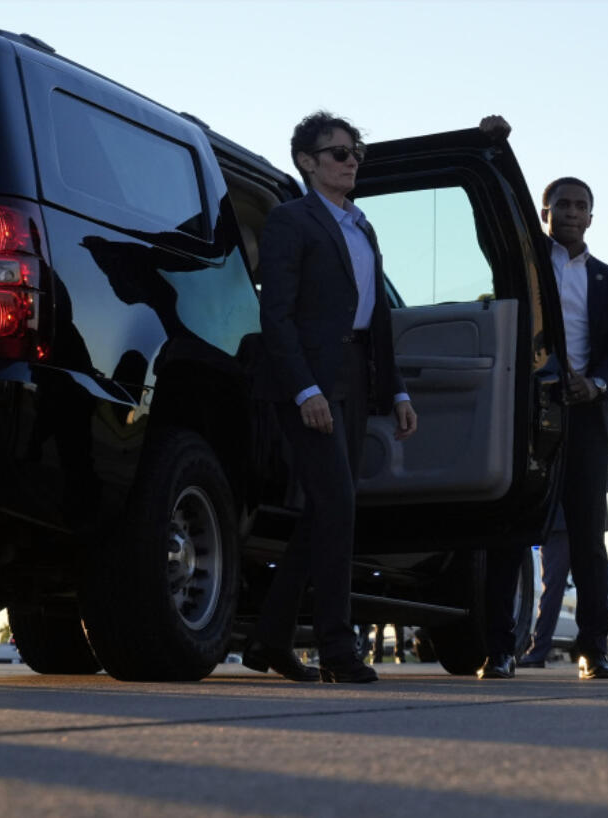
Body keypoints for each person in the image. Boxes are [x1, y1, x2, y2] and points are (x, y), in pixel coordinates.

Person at [244, 111, 417, 684]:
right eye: (338, 152)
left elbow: (378, 317)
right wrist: (304, 388)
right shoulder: (291, 221)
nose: (350, 161)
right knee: (338, 507)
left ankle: (269, 638)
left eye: (355, 152)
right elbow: (277, 314)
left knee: (325, 510)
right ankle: (338, 650)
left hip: (354, 374)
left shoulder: (363, 227)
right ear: (308, 162)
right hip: (309, 381)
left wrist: (394, 389)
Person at [479, 163, 608, 681]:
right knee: (510, 529)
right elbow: (485, 225)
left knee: (589, 537)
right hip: (526, 416)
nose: (571, 213)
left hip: (585, 416)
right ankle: (499, 649)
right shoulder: (520, 268)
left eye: (580, 206)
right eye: (562, 205)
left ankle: (595, 648)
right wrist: (492, 149)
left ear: (591, 216)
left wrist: (596, 384)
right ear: (543, 214)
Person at [517, 517, 571, 668]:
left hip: (560, 521)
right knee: (589, 587)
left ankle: (539, 651)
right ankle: (595, 652)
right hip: (585, 520)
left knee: (552, 589)